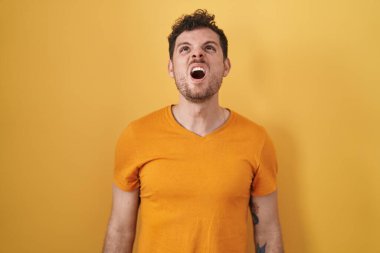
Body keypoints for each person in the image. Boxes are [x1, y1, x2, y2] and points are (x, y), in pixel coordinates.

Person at [103, 9, 283, 253]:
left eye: (209, 48)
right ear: (171, 67)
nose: (197, 53)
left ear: (226, 65)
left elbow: (268, 231)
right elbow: (120, 230)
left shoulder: (257, 140)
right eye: (184, 49)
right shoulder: (136, 137)